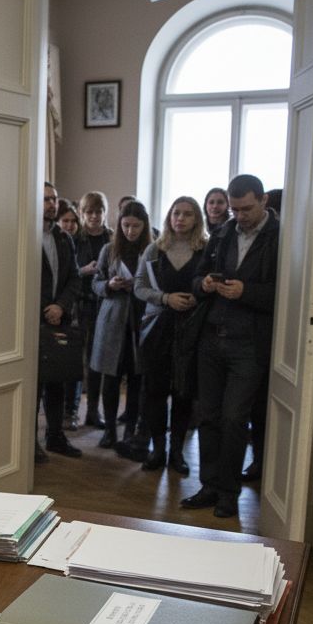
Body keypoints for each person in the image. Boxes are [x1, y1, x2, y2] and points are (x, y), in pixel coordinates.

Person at [182, 174, 279, 519]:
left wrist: (246, 292)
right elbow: (196, 278)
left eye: (246, 209)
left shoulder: (280, 237)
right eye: (235, 209)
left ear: (263, 201)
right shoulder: (222, 233)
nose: (240, 216)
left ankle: (228, 492)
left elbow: (286, 292)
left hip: (249, 344)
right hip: (211, 337)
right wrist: (205, 283)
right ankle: (208, 486)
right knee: (207, 416)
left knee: (235, 418)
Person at [134, 197, 207, 474]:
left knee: (183, 393)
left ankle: (177, 452)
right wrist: (165, 298)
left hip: (191, 331)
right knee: (155, 391)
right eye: (176, 213)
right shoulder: (155, 248)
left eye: (187, 214)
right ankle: (158, 449)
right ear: (169, 217)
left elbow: (211, 286)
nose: (181, 219)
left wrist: (198, 298)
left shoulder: (206, 249)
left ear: (196, 219)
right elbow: (139, 287)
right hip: (157, 328)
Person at [90, 200, 151, 449]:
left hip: (140, 319)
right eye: (126, 225)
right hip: (113, 320)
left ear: (144, 226)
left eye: (136, 226)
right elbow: (95, 283)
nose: (130, 231)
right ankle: (110, 431)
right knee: (111, 378)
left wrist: (139, 286)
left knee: (136, 379)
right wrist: (109, 285)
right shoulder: (109, 249)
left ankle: (130, 431)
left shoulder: (151, 250)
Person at [37, 181, 82, 461]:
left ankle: (55, 437)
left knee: (57, 382)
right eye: (45, 199)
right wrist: (45, 308)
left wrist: (60, 306)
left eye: (54, 199)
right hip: (33, 321)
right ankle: (28, 443)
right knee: (33, 386)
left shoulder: (63, 237)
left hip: (58, 318)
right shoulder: (25, 235)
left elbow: (74, 278)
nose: (52, 204)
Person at [75, 191, 112, 428]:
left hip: (105, 303)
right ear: (82, 213)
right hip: (81, 304)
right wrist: (83, 271)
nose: (94, 216)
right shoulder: (75, 237)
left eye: (99, 212)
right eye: (89, 212)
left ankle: (92, 411)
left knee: (98, 359)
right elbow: (69, 271)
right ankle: (72, 410)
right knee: (78, 358)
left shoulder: (112, 237)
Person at [56, 199, 84, 431]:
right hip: (54, 312)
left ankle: (70, 411)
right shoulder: (55, 240)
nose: (70, 225)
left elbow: (74, 278)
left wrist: (62, 305)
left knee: (72, 365)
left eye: (73, 221)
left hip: (74, 312)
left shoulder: (68, 241)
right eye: (65, 220)